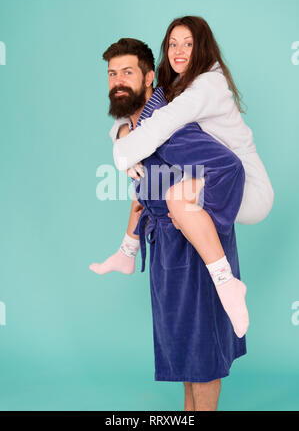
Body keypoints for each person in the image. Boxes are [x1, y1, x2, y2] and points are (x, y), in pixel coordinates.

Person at [90, 38, 247, 411]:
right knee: (185, 352)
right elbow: (145, 191)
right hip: (164, 250)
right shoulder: (134, 127)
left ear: (149, 78)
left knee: (203, 354)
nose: (118, 81)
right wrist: (128, 245)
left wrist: (191, 212)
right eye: (112, 74)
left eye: (127, 72)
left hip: (194, 249)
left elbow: (228, 169)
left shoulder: (170, 127)